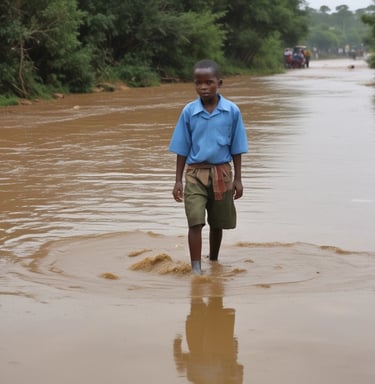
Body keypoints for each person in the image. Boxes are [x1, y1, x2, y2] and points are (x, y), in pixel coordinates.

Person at [169, 59, 248, 274]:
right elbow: (182, 147)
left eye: (209, 82)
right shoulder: (189, 112)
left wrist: (239, 179)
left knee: (217, 222)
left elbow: (237, 147)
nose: (203, 87)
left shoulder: (231, 111)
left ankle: (213, 261)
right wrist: (177, 180)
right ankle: (196, 270)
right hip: (195, 174)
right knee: (195, 221)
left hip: (222, 172)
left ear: (219, 83)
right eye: (198, 83)